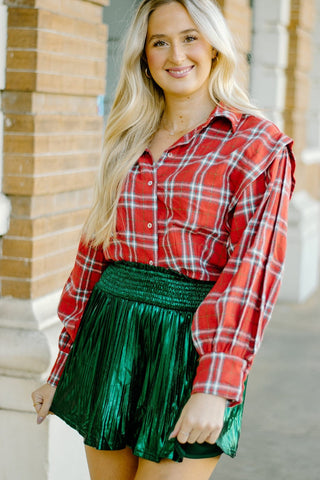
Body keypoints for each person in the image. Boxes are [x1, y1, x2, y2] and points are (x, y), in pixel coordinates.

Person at [31, 1, 295, 479]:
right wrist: (62, 366)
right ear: (144, 56)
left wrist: (214, 384)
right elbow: (94, 254)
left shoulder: (258, 144)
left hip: (190, 347)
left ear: (215, 45)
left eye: (190, 37)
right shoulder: (128, 135)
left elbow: (251, 273)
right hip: (109, 338)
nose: (177, 54)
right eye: (160, 41)